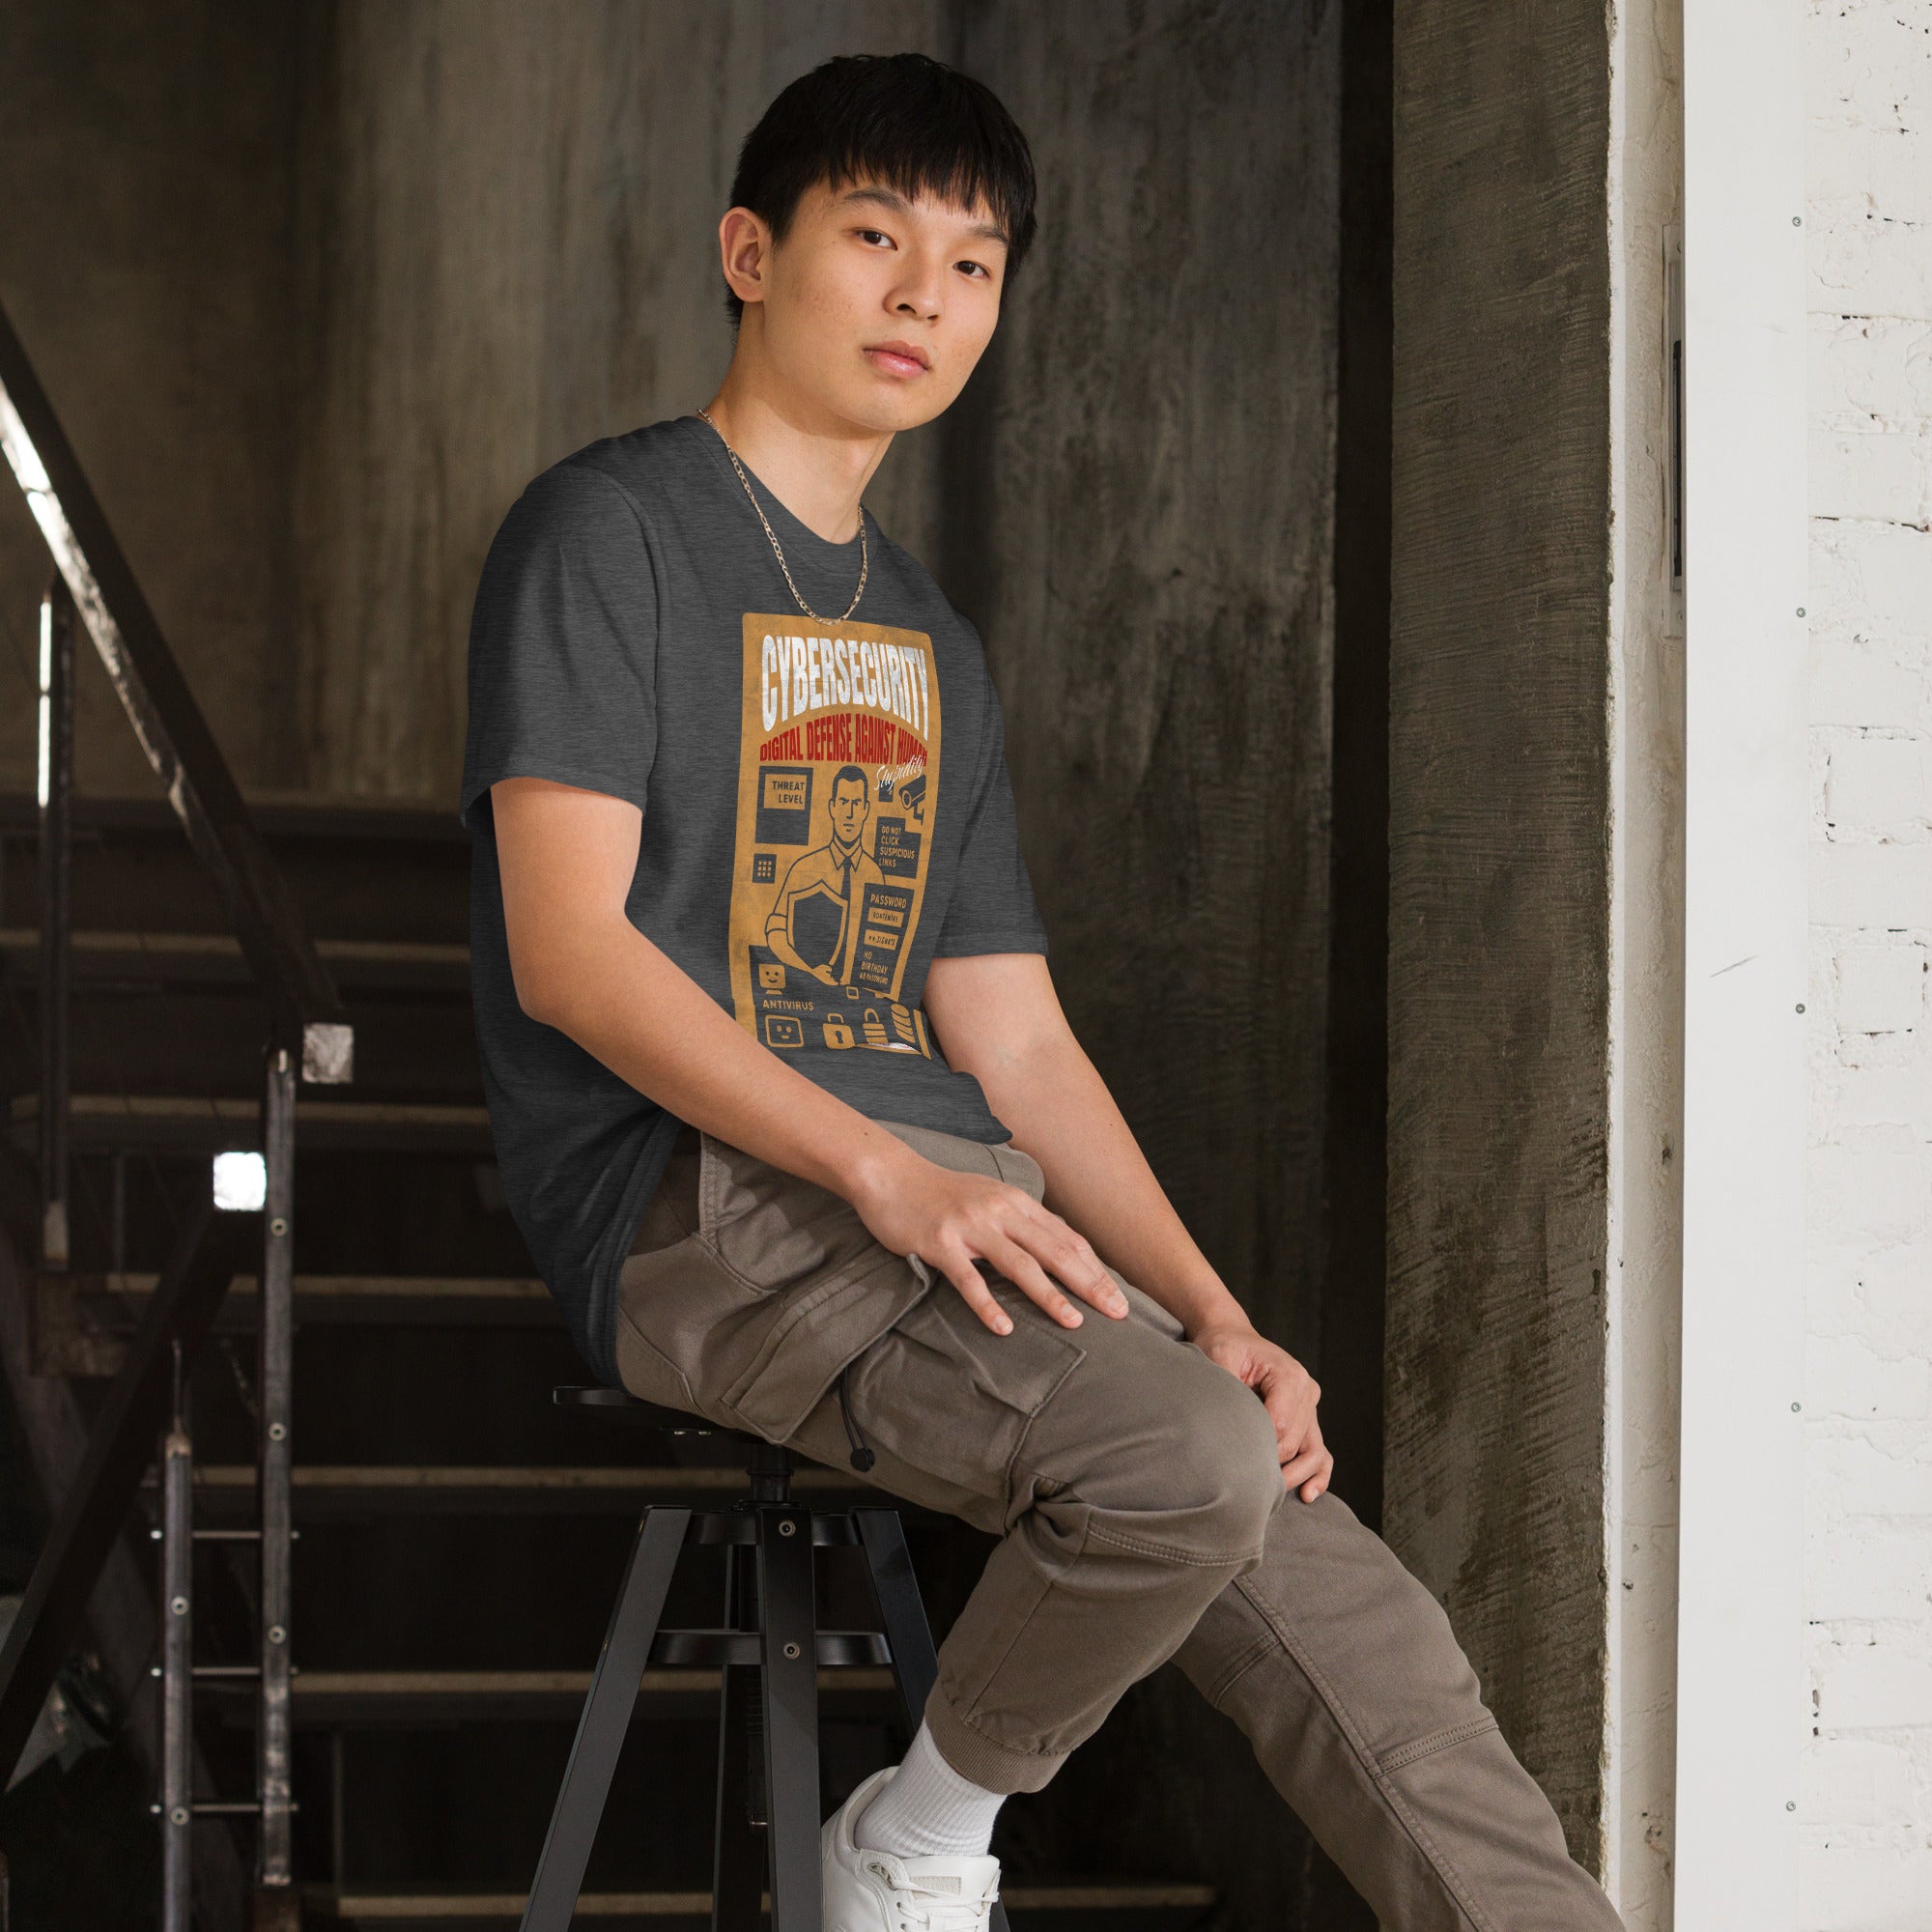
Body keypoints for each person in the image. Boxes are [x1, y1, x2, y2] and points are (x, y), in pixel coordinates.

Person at [459, 50, 1626, 1932]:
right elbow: (572, 954)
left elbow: (1011, 1034)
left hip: (953, 1197)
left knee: (1360, 1618)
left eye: (975, 262)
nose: (928, 296)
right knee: (1171, 1459)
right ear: (750, 254)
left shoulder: (930, 638)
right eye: (873, 236)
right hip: (703, 1201)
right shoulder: (608, 535)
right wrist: (883, 1171)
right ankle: (916, 1840)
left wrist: (1213, 1307)